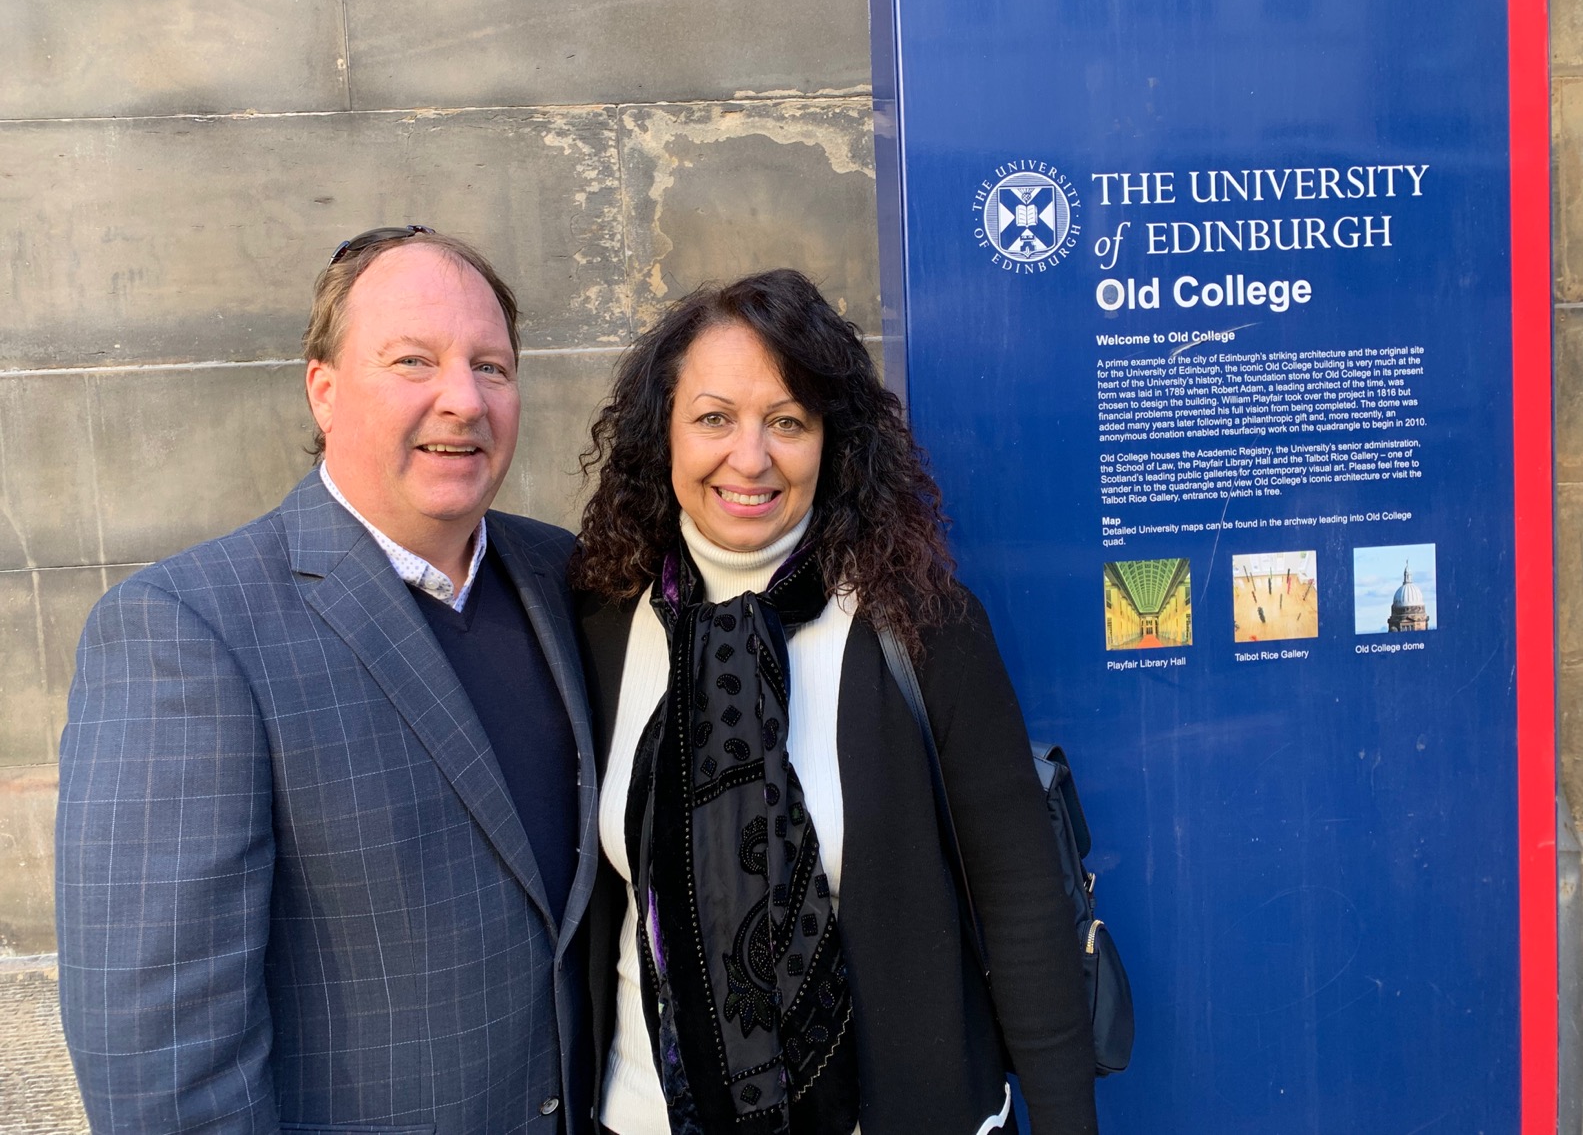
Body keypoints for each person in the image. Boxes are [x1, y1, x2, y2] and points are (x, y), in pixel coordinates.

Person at [56, 227, 598, 1134]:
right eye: (413, 360)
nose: (461, 400)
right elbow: (162, 1054)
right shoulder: (185, 630)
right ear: (325, 389)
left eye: (491, 366)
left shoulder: (565, 577)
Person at [572, 269, 1098, 1135]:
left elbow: (1021, 899)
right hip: (646, 1114)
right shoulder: (599, 625)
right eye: (713, 418)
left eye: (787, 421)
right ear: (658, 434)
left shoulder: (921, 625)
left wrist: (1067, 1118)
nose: (751, 457)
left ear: (832, 442)